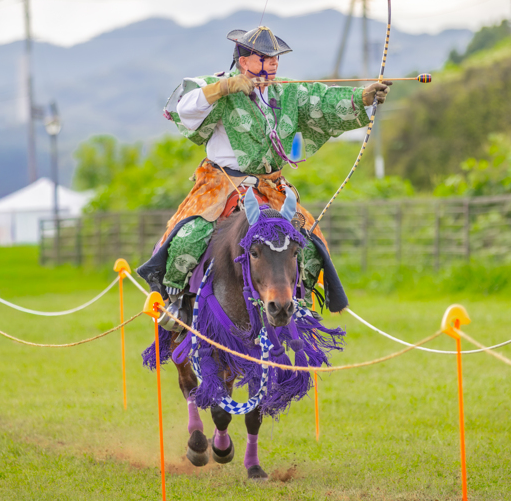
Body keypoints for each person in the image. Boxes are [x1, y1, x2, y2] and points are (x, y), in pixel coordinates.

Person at [136, 26, 390, 328]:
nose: (273, 63)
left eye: (275, 58)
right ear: (244, 61)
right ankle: (178, 304)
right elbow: (185, 107)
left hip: (271, 188)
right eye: (265, 57)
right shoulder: (219, 85)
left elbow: (322, 101)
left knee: (309, 244)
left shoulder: (288, 92)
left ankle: (298, 305)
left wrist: (362, 97)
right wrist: (225, 87)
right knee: (189, 237)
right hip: (222, 185)